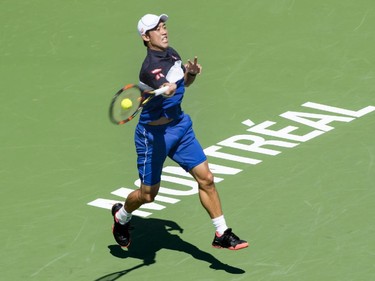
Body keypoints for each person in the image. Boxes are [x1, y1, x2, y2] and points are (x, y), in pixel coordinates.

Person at [111, 13, 248, 251]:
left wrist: (189, 74)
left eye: (164, 26)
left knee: (207, 178)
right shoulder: (148, 69)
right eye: (157, 29)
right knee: (147, 195)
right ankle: (121, 217)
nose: (164, 31)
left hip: (180, 128)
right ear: (146, 36)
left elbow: (181, 84)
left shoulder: (172, 53)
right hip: (153, 137)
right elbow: (164, 86)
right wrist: (167, 87)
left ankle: (222, 232)